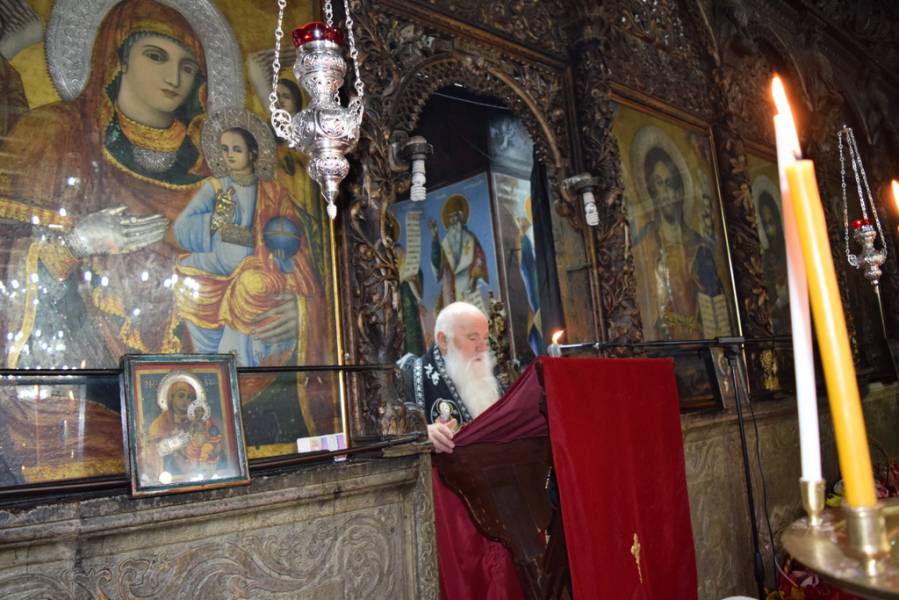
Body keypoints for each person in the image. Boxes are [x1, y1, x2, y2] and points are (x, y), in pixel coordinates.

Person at [173, 109, 326, 367]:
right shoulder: (215, 187)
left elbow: (291, 230)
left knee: (252, 288)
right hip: (215, 268)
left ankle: (243, 361)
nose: (230, 155)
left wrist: (281, 245)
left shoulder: (273, 191)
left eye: (237, 149)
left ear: (253, 153)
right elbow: (182, 229)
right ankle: (215, 364)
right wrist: (215, 220)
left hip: (259, 266)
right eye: (224, 149)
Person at [631, 146, 726, 340]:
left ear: (680, 190)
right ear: (651, 191)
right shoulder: (644, 244)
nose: (667, 192)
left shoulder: (701, 248)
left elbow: (717, 308)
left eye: (671, 183)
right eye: (660, 183)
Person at [398, 301, 501, 453]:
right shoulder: (409, 377)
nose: (482, 347)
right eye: (473, 338)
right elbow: (386, 432)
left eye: (485, 339)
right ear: (443, 340)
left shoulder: (489, 379)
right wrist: (423, 433)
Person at [144, 373, 222, 484]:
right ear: (171, 397)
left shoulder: (201, 420)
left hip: (199, 472)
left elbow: (216, 445)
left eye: (190, 397)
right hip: (171, 476)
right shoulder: (159, 424)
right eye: (181, 396)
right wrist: (173, 444)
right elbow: (152, 452)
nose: (186, 400)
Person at [429, 194, 489, 311]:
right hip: (450, 287)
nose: (453, 220)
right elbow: (438, 264)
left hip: (468, 283)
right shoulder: (446, 243)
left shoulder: (470, 238)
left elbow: (479, 258)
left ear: (461, 216)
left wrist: (474, 278)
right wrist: (435, 238)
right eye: (450, 218)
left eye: (455, 216)